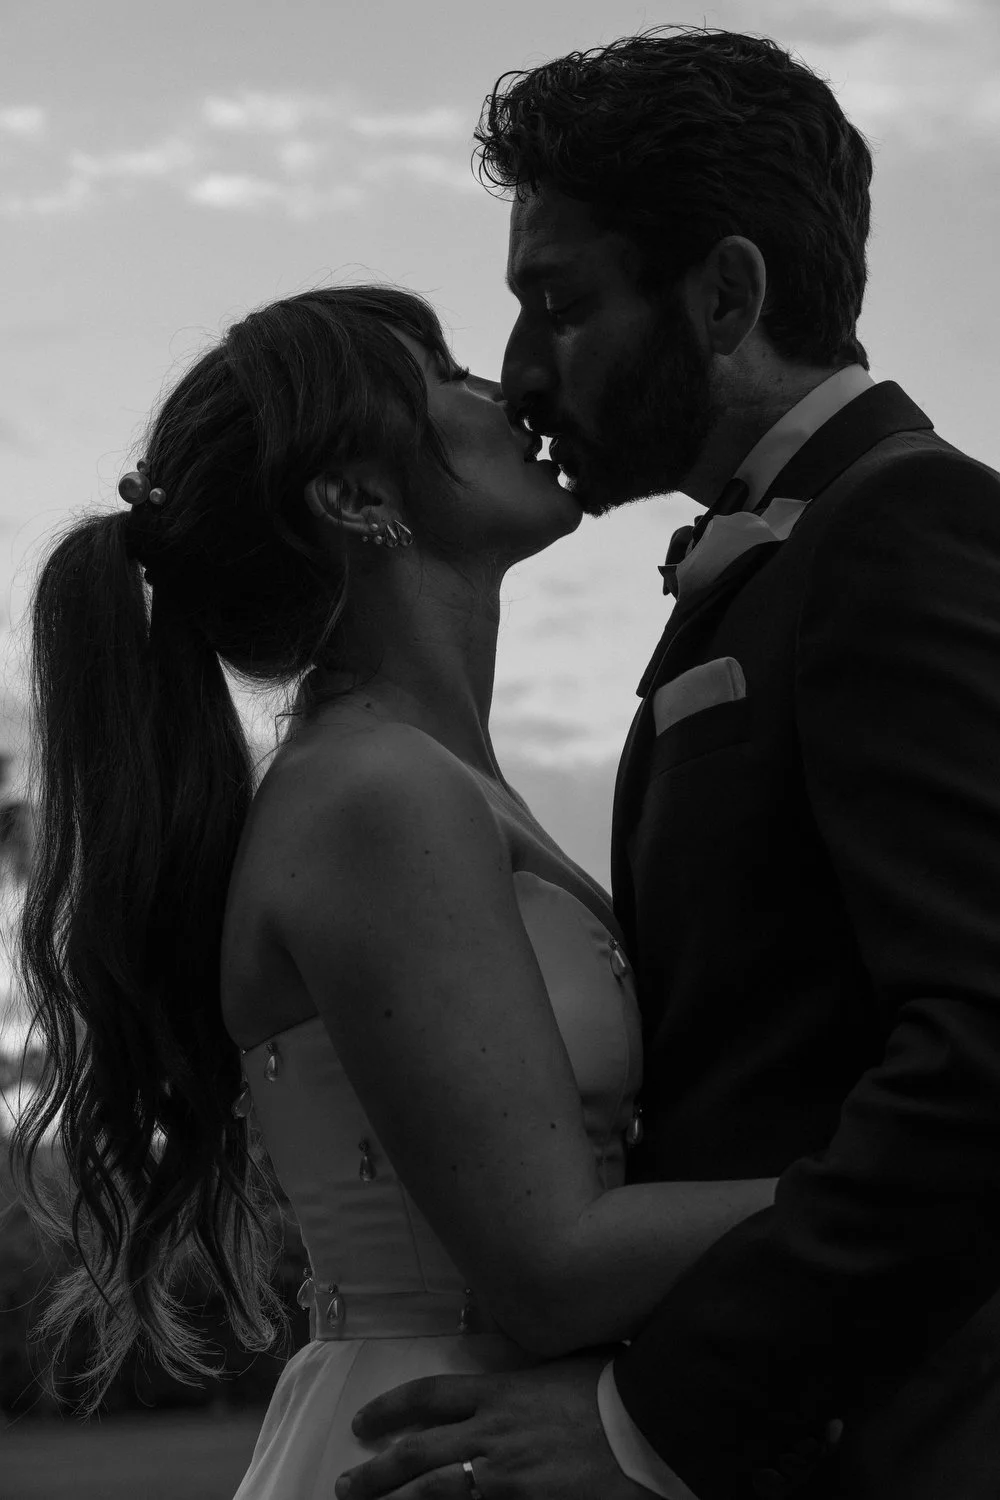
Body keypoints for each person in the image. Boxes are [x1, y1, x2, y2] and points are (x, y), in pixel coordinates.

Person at [336, 27, 1000, 1500]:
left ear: (727, 296)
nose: (515, 370)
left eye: (557, 303)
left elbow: (984, 1055)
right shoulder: (776, 563)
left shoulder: (909, 534)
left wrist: (657, 1423)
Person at [9, 284, 776, 1497]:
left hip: (501, 1428)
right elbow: (554, 1263)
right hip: (440, 1445)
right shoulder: (375, 797)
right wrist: (913, 1190)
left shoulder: (431, 780)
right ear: (360, 499)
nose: (506, 392)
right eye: (446, 375)